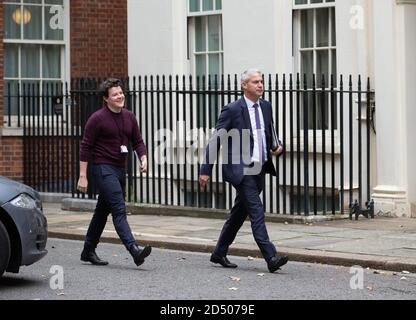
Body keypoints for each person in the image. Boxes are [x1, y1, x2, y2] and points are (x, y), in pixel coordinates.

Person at [199, 69, 288, 273]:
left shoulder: (266, 107)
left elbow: (270, 134)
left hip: (259, 168)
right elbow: (216, 139)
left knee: (240, 213)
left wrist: (278, 146)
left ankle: (219, 252)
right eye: (255, 82)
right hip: (240, 169)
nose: (260, 85)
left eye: (262, 81)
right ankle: (270, 256)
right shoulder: (232, 109)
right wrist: (206, 169)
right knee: (257, 211)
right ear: (244, 85)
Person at [77, 78, 152, 267]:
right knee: (119, 208)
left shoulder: (129, 116)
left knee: (102, 211)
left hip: (120, 169)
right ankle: (134, 249)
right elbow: (85, 147)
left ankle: (88, 250)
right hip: (103, 167)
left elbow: (138, 141)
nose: (120, 96)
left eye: (120, 93)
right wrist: (83, 176)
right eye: (115, 94)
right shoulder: (97, 119)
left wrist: (143, 158)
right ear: (106, 99)